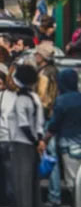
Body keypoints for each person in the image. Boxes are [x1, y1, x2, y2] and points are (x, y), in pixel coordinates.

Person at [0, 63, 44, 207]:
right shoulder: (34, 97)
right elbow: (38, 123)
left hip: (12, 142)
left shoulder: (3, 97)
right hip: (31, 144)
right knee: (30, 181)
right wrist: (38, 140)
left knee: (13, 180)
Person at [45, 68, 81, 207]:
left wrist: (45, 138)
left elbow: (54, 124)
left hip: (68, 146)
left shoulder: (61, 101)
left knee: (72, 182)